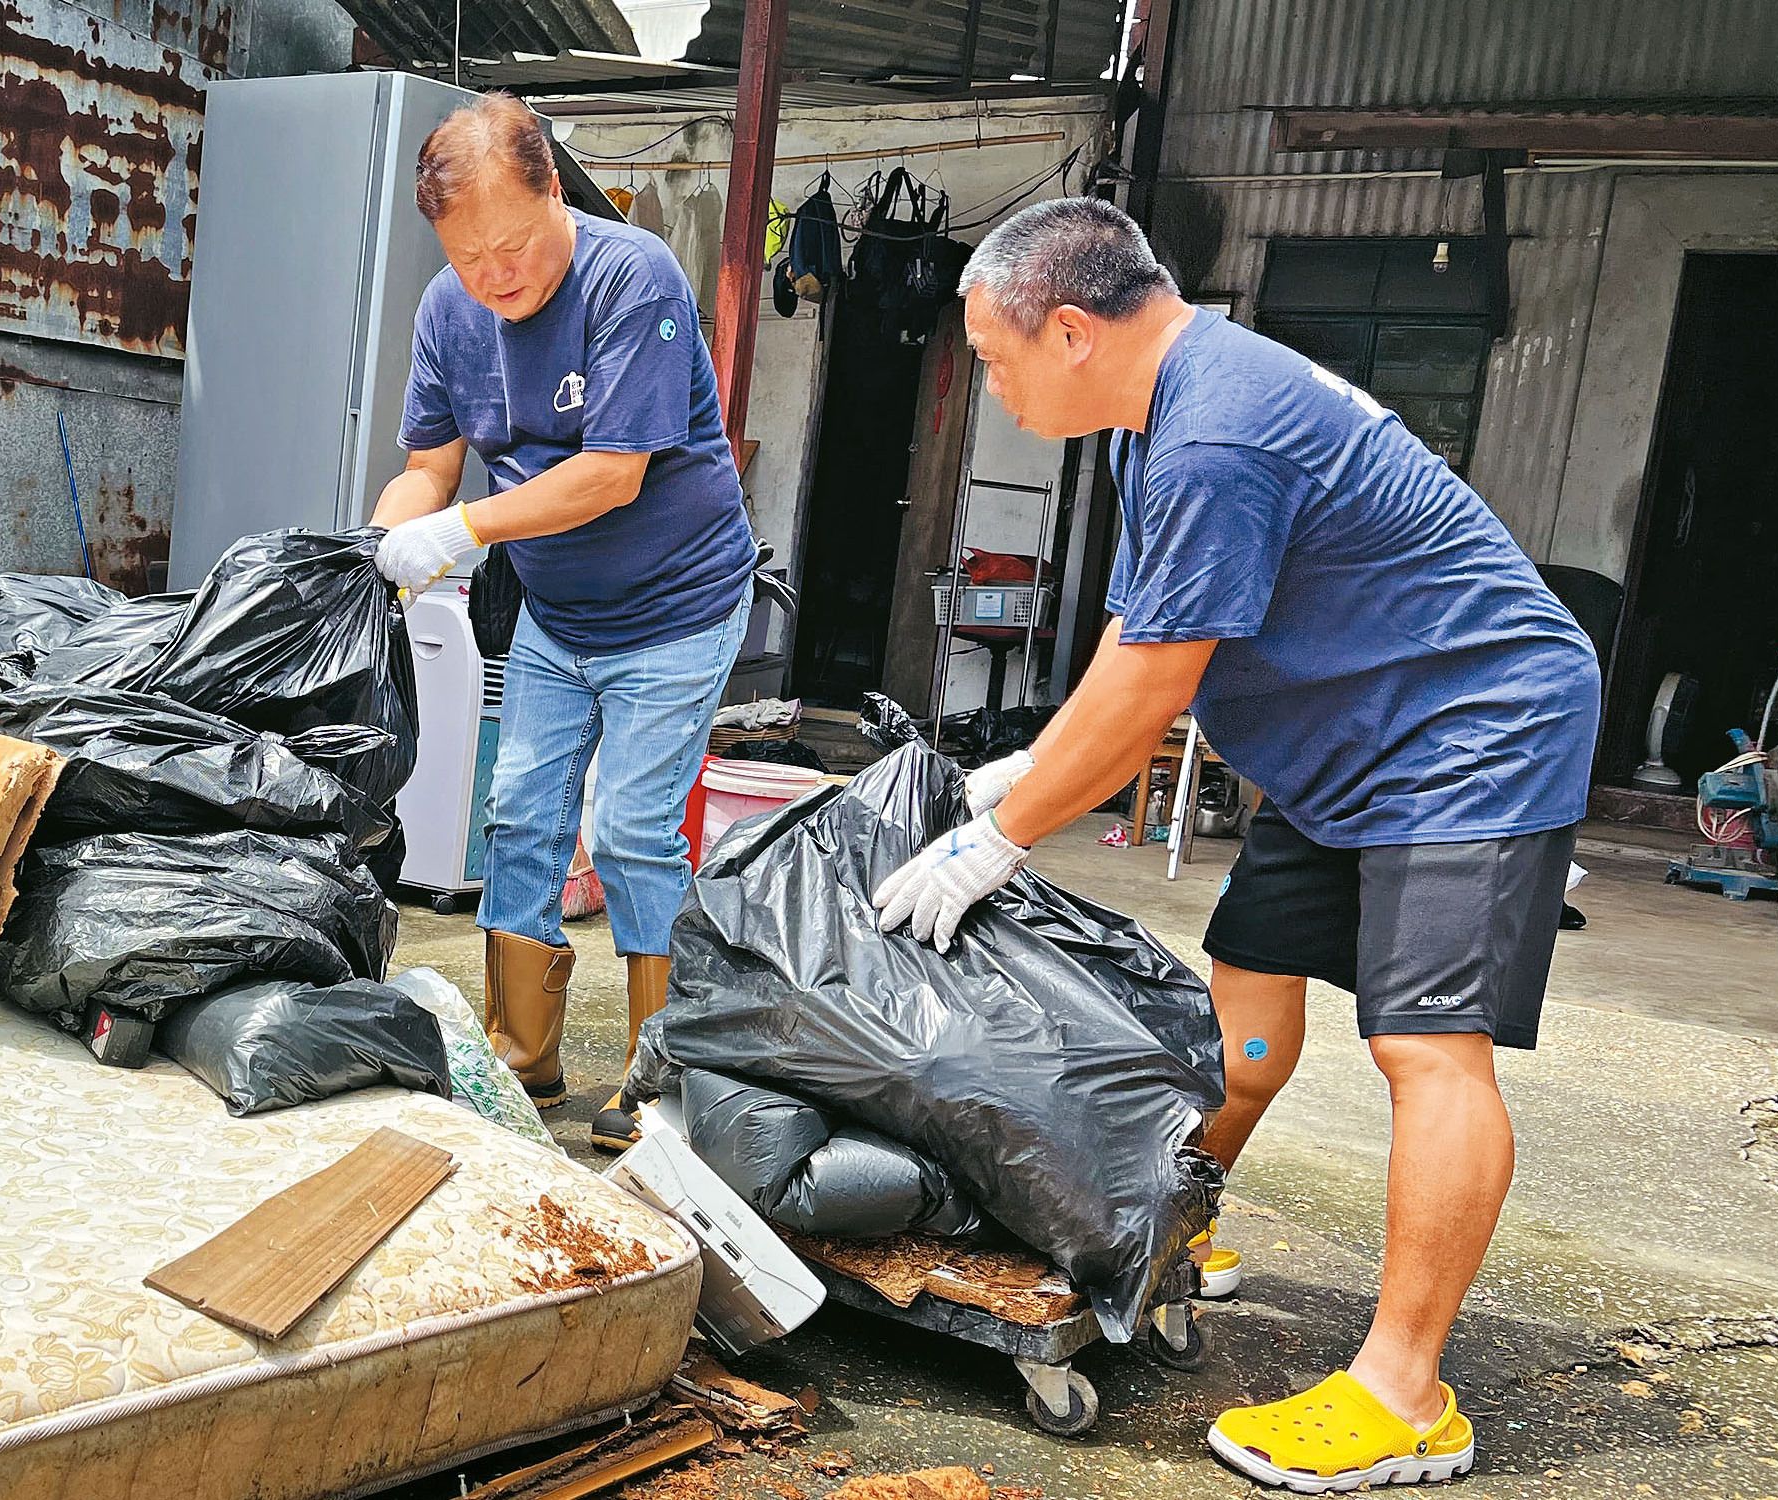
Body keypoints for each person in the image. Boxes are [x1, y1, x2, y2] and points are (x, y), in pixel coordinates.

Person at [878, 197, 1598, 1491]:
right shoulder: (1156, 415)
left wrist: (999, 839)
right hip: (1344, 740)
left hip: (1472, 726)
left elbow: (1157, 685)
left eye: (994, 356)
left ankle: (1406, 1393)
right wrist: (1038, 763)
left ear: (1076, 330)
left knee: (1427, 1048)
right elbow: (1131, 646)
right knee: (1243, 1015)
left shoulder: (1217, 430)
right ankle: (1181, 1226)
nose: (990, 381)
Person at [369, 94, 758, 1154]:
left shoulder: (634, 280)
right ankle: (522, 1057)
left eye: (513, 246)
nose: (495, 276)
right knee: (521, 819)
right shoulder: (452, 312)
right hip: (558, 613)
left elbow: (609, 477)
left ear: (556, 192)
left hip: (677, 607)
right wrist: (378, 548)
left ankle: (661, 1074)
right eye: (467, 256)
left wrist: (460, 533)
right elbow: (427, 470)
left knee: (633, 831)